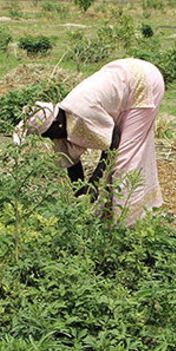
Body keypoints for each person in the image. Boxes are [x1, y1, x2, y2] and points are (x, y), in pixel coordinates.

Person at [13, 58, 165, 227]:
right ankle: (109, 220)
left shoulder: (80, 114)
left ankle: (128, 227)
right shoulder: (63, 123)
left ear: (56, 124)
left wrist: (94, 182)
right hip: (125, 79)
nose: (51, 139)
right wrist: (81, 199)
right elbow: (71, 163)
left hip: (142, 83)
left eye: (48, 134)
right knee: (116, 167)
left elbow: (113, 141)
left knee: (125, 162)